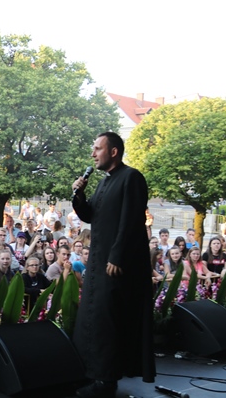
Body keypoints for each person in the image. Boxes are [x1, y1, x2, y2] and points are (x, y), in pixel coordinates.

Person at [71, 132, 155, 396]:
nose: (93, 153)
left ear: (114, 151)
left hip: (115, 265)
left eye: (98, 148)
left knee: (108, 322)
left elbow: (132, 219)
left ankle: (106, 381)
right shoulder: (104, 182)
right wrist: (79, 195)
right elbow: (90, 215)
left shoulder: (131, 177)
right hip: (99, 264)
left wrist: (117, 256)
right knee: (94, 320)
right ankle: (91, 373)